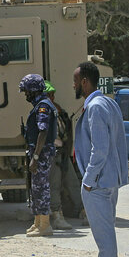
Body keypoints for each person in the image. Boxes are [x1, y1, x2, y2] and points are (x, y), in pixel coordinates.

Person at [72, 61, 128, 257]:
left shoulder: (94, 106)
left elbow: (101, 148)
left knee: (105, 241)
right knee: (107, 239)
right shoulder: (109, 103)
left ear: (85, 81)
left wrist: (88, 180)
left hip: (98, 184)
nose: (73, 85)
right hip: (110, 181)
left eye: (75, 80)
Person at [19, 74, 58, 237]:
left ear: (33, 90)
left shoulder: (43, 106)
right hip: (38, 153)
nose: (26, 95)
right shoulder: (41, 104)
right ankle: (37, 222)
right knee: (35, 188)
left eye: (27, 91)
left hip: (41, 154)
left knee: (41, 188)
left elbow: (43, 132)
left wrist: (35, 157)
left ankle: (45, 225)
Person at [45, 81, 83, 229]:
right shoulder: (44, 111)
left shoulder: (58, 110)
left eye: (53, 95)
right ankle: (56, 215)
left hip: (62, 153)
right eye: (49, 95)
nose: (52, 98)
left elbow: (66, 131)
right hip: (52, 154)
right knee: (54, 185)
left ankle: (82, 209)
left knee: (72, 181)